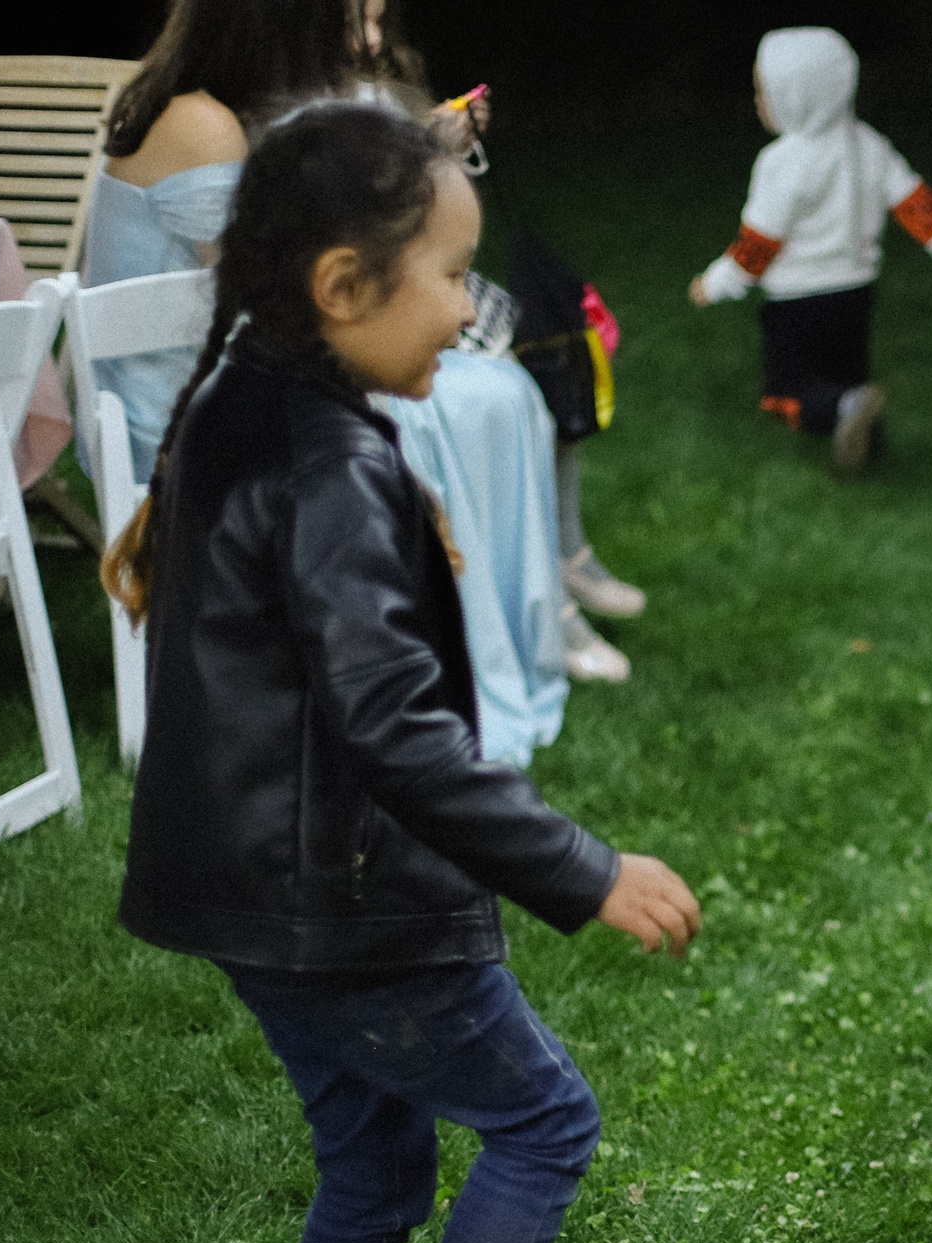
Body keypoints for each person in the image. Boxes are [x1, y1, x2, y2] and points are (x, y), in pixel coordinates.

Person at [103, 101, 701, 1243]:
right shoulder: (328, 465)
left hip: (247, 895)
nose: (469, 308)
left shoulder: (239, 396)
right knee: (545, 1120)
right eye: (447, 274)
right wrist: (585, 868)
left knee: (372, 1167)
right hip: (347, 897)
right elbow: (393, 730)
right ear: (340, 285)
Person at [86, 0, 636, 759]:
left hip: (231, 378)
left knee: (494, 393)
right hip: (181, 419)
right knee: (458, 401)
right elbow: (286, 294)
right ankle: (428, 667)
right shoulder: (199, 124)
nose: (355, 42)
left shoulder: (214, 110)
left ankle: (489, 637)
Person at [689, 26, 932, 473]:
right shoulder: (870, 145)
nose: (758, 101)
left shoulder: (782, 162)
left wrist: (715, 284)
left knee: (786, 394)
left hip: (795, 302)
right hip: (855, 295)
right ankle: (867, 443)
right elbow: (918, 206)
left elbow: (760, 242)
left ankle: (847, 411)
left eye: (765, 91)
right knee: (847, 376)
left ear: (799, 96)